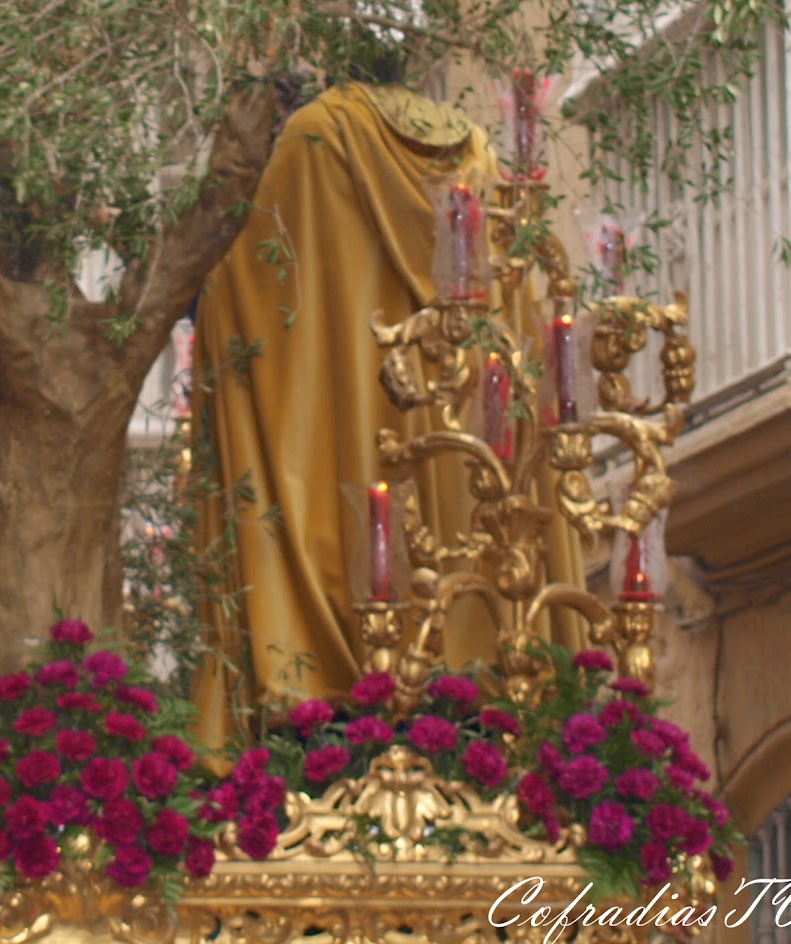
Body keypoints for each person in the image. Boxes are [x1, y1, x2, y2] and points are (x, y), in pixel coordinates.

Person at [188, 82, 586, 747]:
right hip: (472, 464)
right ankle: (482, 654)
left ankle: (333, 667)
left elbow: (246, 301)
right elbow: (513, 311)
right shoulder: (474, 151)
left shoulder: (312, 142)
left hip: (347, 460)